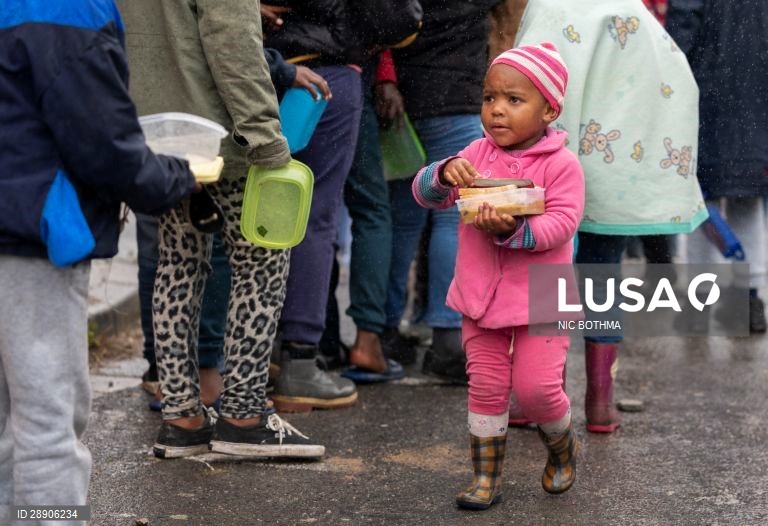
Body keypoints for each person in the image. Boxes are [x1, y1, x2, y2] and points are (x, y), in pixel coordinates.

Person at [0, 0, 196, 520]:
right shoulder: (67, 8)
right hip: (31, 236)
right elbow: (105, 146)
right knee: (48, 421)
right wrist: (177, 176)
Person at [119, 0, 324, 459]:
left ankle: (182, 418)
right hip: (222, 136)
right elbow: (234, 45)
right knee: (262, 260)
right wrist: (267, 140)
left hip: (161, 132)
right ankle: (244, 417)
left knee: (178, 263)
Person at [511, 0, 707, 433]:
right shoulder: (631, 10)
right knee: (602, 275)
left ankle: (539, 396)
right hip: (617, 170)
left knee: (550, 272)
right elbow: (674, 77)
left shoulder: (550, 6)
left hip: (554, 160)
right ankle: (600, 401)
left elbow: (523, 75)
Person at [412, 43, 584, 510]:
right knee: (486, 388)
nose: (497, 110)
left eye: (514, 99)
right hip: (480, 295)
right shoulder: (475, 153)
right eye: (489, 98)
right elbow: (426, 195)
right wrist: (443, 173)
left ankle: (563, 447)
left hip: (545, 298)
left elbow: (562, 224)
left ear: (549, 110)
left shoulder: (562, 164)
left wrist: (512, 232)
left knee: (536, 390)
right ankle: (485, 478)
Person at [387, 0, 503, 384]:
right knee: (453, 220)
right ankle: (448, 338)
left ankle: (384, 332)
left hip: (403, 95)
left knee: (402, 220)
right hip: (455, 96)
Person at [262, 1, 364, 413]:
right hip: (322, 73)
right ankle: (299, 359)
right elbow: (398, 17)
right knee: (312, 217)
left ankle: (255, 351)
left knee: (261, 213)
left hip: (258, 66)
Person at [667, 0, 768, 334]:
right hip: (756, 103)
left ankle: (698, 307)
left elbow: (681, 36)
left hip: (706, 101)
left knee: (700, 208)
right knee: (747, 203)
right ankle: (749, 302)